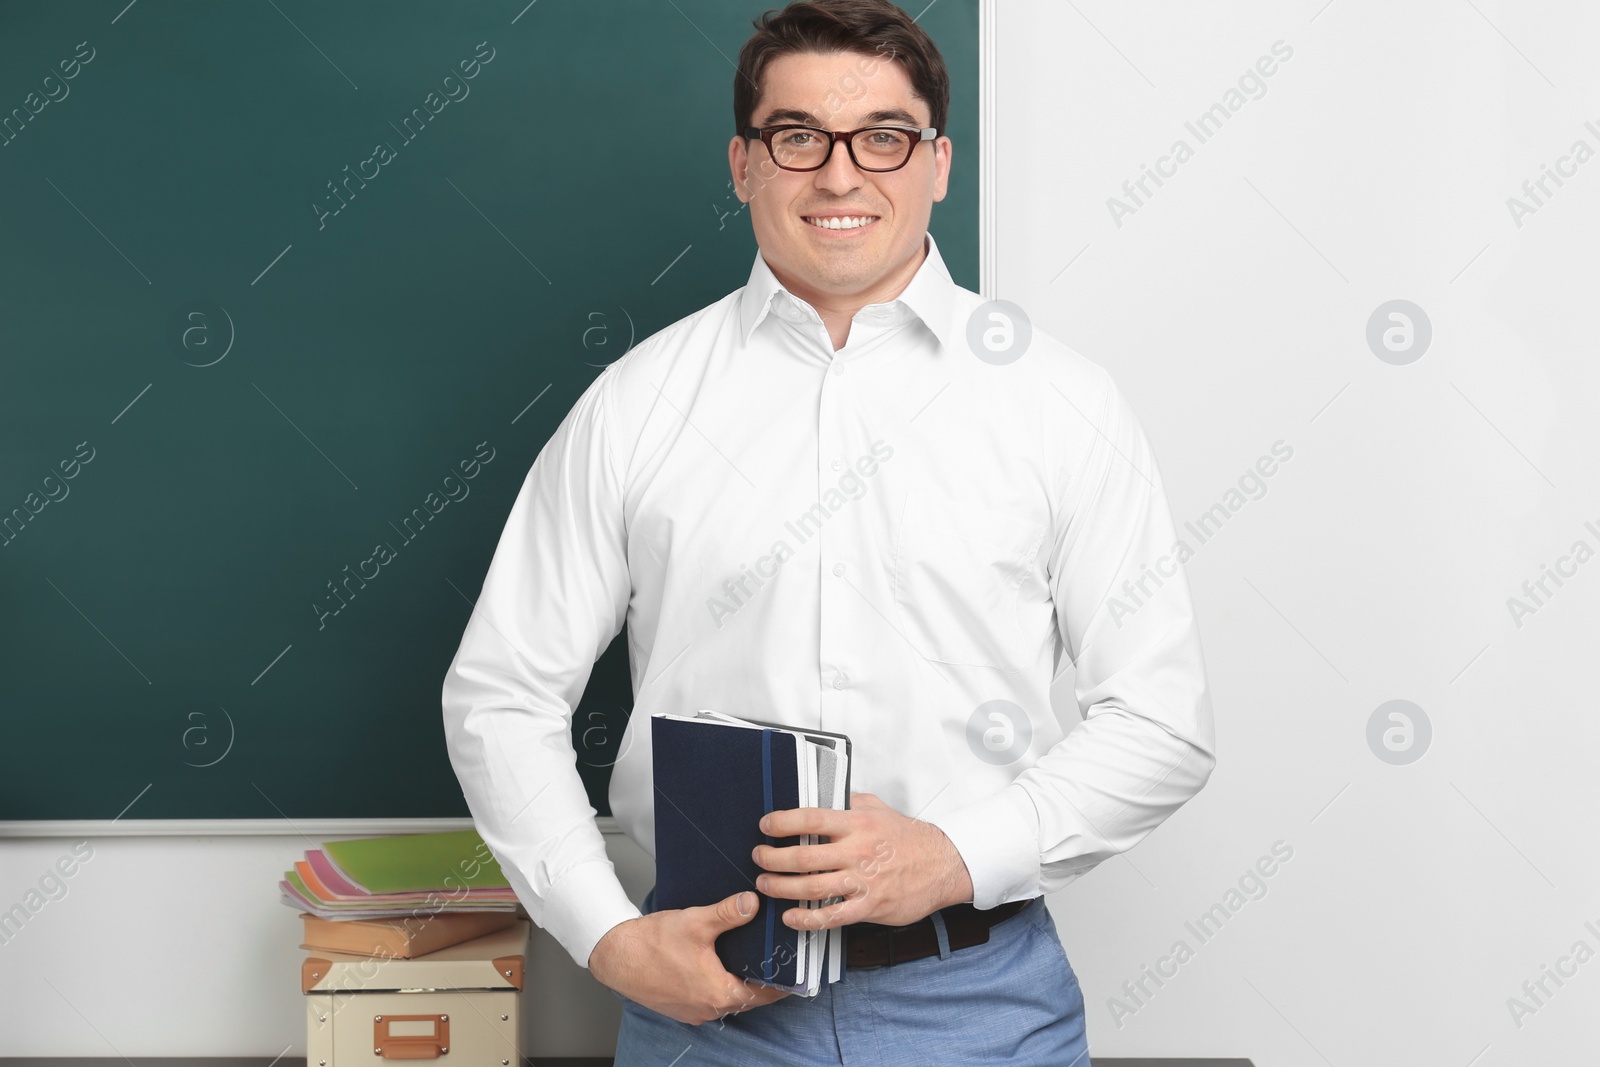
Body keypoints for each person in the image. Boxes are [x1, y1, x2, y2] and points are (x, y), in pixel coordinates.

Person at [440, 2, 1215, 1063]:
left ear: (938, 162)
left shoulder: (1060, 402)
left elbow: (1161, 722)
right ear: (743, 164)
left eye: (884, 137)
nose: (841, 176)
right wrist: (607, 935)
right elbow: (502, 692)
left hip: (982, 1008)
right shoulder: (636, 404)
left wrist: (950, 853)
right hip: (706, 1012)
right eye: (798, 136)